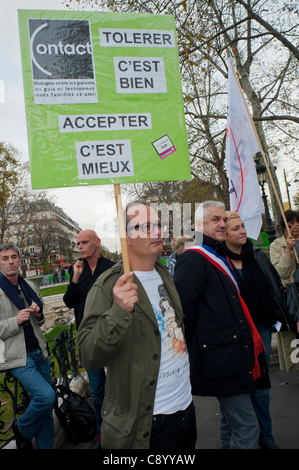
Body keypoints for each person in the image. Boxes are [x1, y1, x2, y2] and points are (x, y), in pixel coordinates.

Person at [77, 201, 196, 449]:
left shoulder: (164, 273)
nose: (157, 231)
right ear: (125, 238)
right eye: (145, 226)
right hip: (148, 424)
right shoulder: (109, 285)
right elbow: (88, 355)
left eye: (159, 225)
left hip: (185, 409)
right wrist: (118, 312)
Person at [174, 201, 263, 449]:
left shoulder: (216, 254)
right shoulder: (194, 257)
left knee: (230, 423)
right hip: (220, 356)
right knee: (247, 428)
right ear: (199, 225)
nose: (222, 224)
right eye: (215, 220)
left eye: (223, 219)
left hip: (228, 353)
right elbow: (184, 312)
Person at [224, 211, 289, 449]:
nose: (242, 231)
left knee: (261, 387)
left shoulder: (257, 255)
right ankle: (244, 435)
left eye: (242, 226)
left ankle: (267, 438)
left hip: (261, 328)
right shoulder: (220, 262)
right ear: (224, 235)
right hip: (235, 334)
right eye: (235, 228)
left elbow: (273, 285)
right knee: (240, 391)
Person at [0, 243, 56, 449]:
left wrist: (38, 314)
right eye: (5, 258)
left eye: (13, 257)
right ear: (0, 262)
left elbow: (41, 320)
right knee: (46, 396)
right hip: (18, 356)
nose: (10, 261)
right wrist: (15, 321)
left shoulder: (29, 286)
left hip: (39, 351)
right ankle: (21, 428)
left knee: (47, 409)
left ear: (20, 260)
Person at [63, 230, 115, 449]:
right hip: (88, 337)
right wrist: (75, 277)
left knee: (118, 384)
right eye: (78, 243)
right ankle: (102, 433)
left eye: (85, 242)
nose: (80, 246)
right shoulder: (77, 269)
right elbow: (69, 301)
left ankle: (118, 429)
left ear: (97, 243)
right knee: (98, 388)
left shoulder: (112, 267)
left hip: (112, 334)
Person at [270, 210, 299, 373]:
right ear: (284, 226)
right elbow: (280, 273)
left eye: (298, 223)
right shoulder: (277, 245)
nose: (296, 226)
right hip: (292, 295)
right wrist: (288, 250)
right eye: (291, 224)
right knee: (293, 335)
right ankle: (296, 367)